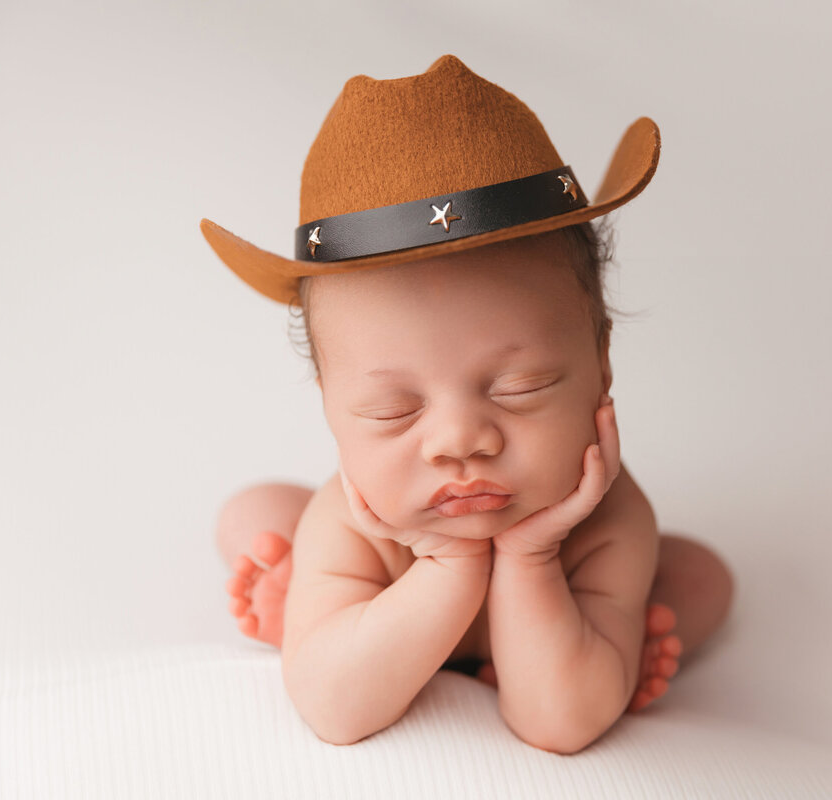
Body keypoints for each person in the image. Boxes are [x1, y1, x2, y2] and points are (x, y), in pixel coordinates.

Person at [202, 55, 734, 754]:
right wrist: (444, 566)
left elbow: (559, 725)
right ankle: (333, 613)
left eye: (519, 388)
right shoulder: (359, 520)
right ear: (329, 404)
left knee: (702, 576)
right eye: (393, 409)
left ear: (601, 362)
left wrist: (535, 555)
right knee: (257, 512)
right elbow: (334, 712)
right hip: (388, 573)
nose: (460, 440)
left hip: (562, 600)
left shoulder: (608, 521)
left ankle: (595, 646)